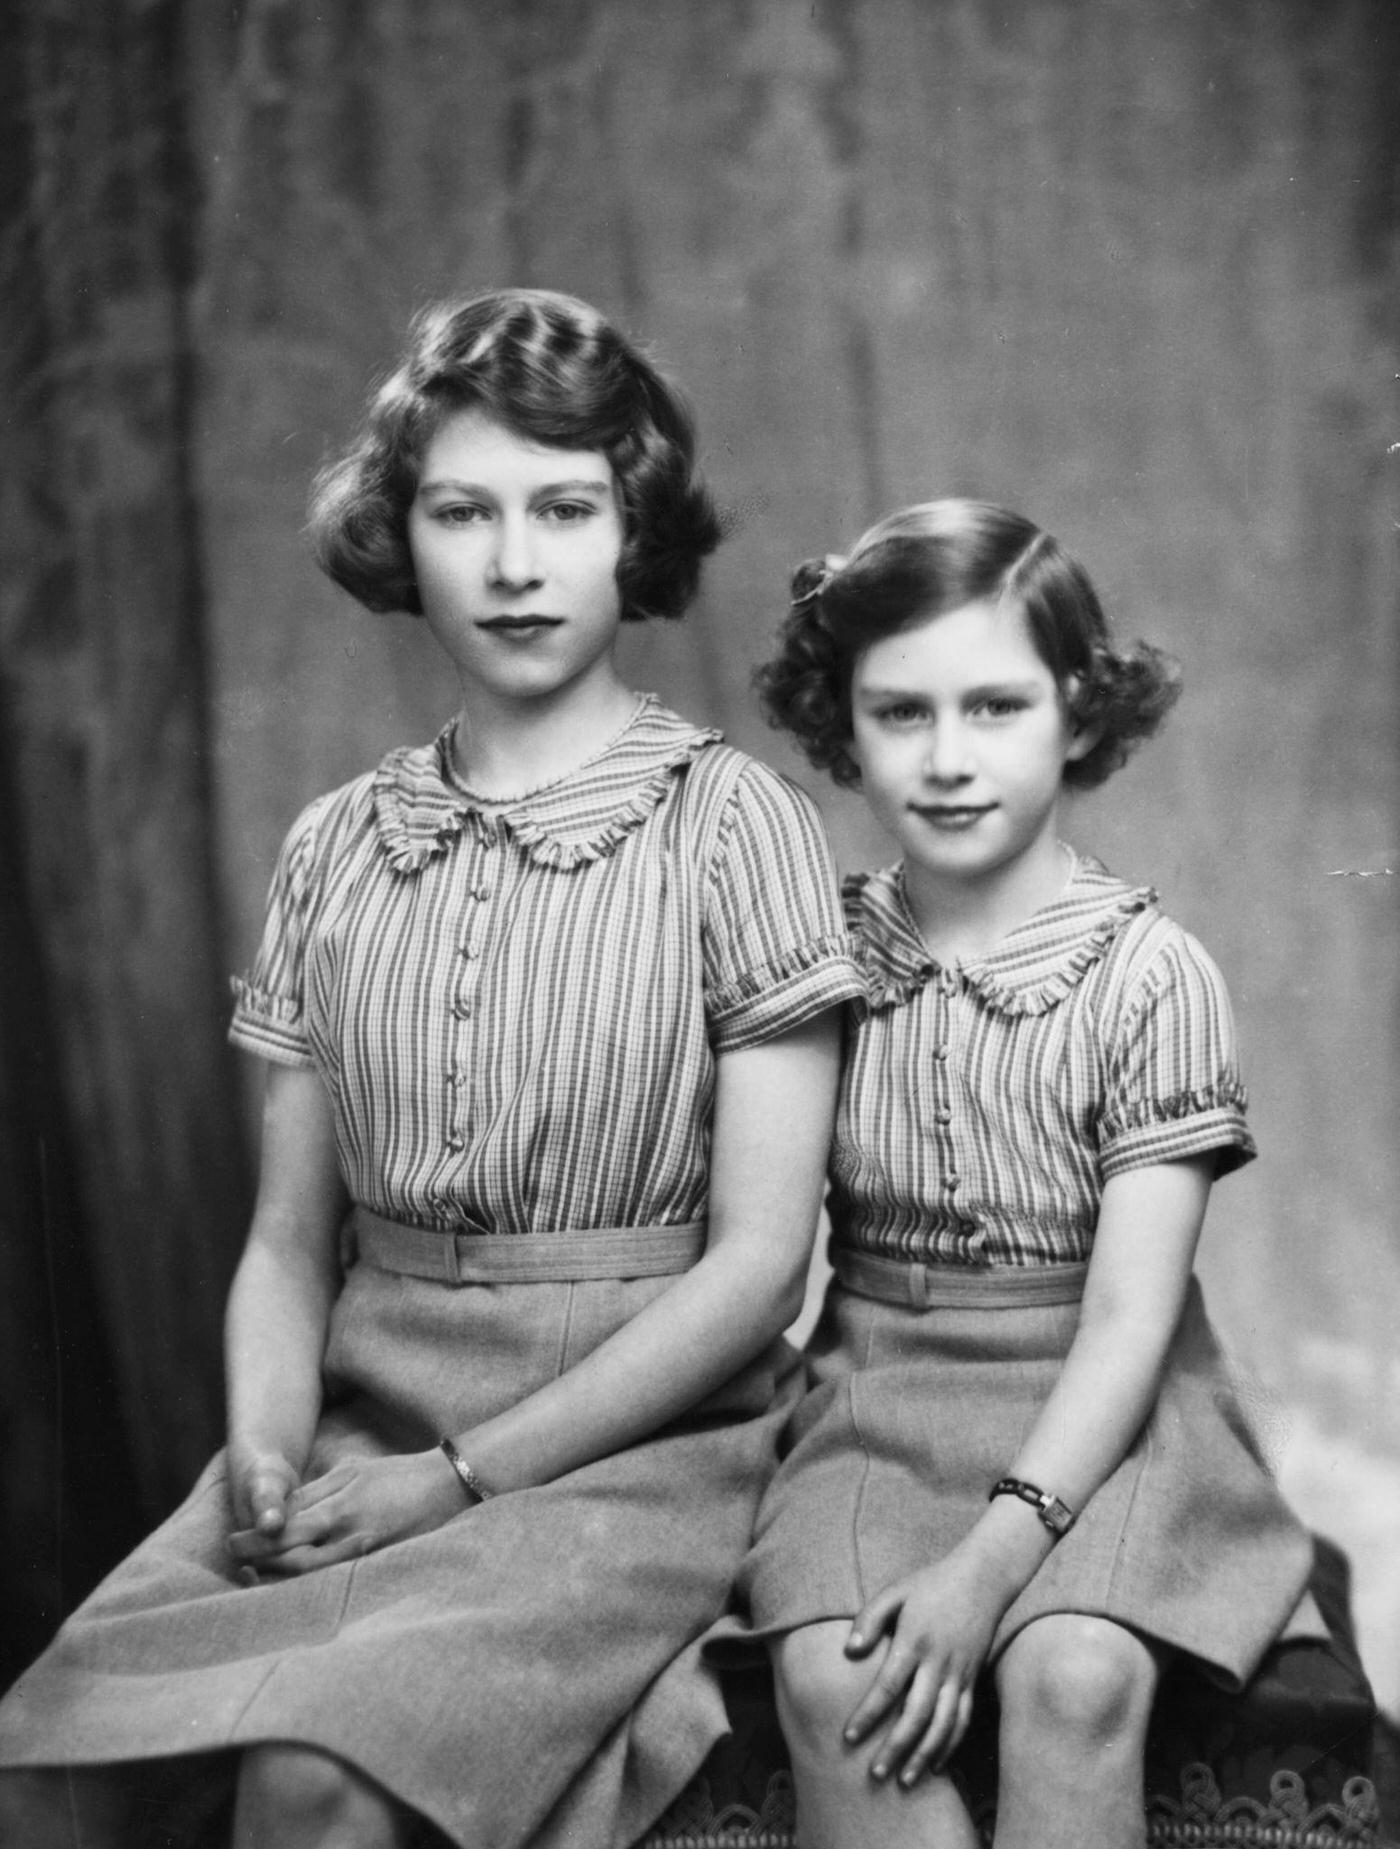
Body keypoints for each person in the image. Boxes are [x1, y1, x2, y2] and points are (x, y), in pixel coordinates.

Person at [0, 289, 863, 1849]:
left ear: (634, 529)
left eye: (566, 508)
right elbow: (283, 1241)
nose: (516, 562)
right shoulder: (335, 843)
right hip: (361, 1418)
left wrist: (458, 1479)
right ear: (406, 535)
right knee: (42, 1767)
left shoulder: (736, 828)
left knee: (318, 1773)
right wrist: (267, 1447)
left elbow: (757, 1268)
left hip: (638, 1448)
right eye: (465, 511)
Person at [740, 499, 1318, 1849]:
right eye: (902, 714)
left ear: (1074, 712)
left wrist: (993, 1562)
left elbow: (1128, 1324)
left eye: (995, 708)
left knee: (1070, 1674)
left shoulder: (1149, 974)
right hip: (876, 1403)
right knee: (840, 1675)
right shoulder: (815, 956)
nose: (949, 760)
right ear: (844, 723)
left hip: (1111, 1411)